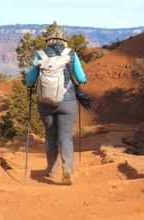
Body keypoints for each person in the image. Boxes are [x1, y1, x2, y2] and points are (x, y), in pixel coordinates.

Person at [26, 27, 87, 186]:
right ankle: (68, 168)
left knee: (51, 135)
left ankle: (52, 170)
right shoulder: (71, 54)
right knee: (65, 136)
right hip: (67, 102)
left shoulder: (41, 54)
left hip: (45, 103)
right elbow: (81, 78)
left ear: (48, 40)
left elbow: (30, 81)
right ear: (62, 40)